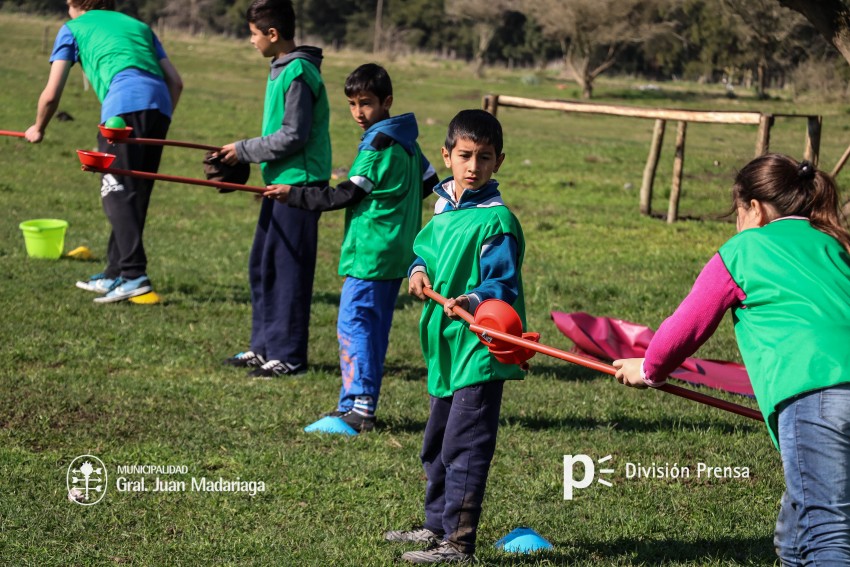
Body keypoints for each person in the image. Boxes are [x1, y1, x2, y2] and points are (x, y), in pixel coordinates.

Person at [613, 153, 850, 566]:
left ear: (753, 209)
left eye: (737, 213)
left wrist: (649, 369)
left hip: (815, 395)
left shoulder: (744, 248)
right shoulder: (832, 244)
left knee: (827, 533)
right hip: (836, 392)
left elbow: (687, 324)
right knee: (795, 539)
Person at [263, 63, 438, 431]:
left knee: (355, 325)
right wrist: (396, 210)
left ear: (387, 101)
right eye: (353, 104)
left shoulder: (376, 144)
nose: (359, 113)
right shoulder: (408, 141)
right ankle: (357, 406)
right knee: (373, 329)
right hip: (396, 255)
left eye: (367, 103)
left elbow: (347, 193)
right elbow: (429, 181)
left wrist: (294, 194)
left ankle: (358, 409)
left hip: (370, 256)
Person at [387, 109, 526, 564]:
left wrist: (469, 299)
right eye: (464, 155)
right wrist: (418, 269)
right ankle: (434, 527)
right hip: (444, 346)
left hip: (479, 349)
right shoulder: (444, 202)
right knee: (438, 440)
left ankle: (458, 543)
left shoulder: (496, 221)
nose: (473, 166)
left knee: (464, 445)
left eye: (484, 158)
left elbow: (500, 285)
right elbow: (425, 248)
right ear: (446, 155)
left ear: (498, 162)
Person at [26, 0, 183, 304]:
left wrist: (38, 127)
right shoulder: (139, 26)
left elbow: (51, 93)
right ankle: (115, 272)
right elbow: (176, 82)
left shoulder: (73, 28)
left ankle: (135, 274)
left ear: (73, 2)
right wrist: (159, 120)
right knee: (134, 191)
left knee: (115, 190)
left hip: (122, 110)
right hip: (159, 107)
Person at [219, 0, 331, 378]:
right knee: (263, 266)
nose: (250, 41)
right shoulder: (281, 68)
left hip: (298, 187)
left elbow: (294, 135)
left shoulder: (298, 71)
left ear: (272, 34)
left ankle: (289, 356)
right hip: (277, 184)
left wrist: (243, 151)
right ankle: (263, 347)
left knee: (289, 273)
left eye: (253, 34)